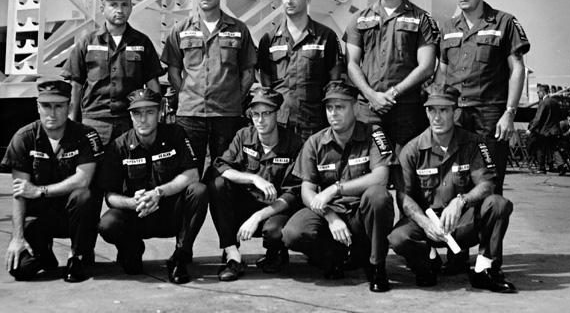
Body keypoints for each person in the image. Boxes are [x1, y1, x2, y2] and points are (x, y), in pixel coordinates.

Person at [389, 83, 516, 293]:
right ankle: (427, 263)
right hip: (428, 226)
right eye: (432, 110)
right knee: (398, 237)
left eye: (444, 110)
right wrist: (424, 222)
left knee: (498, 204)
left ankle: (485, 270)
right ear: (426, 112)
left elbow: (487, 184)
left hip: (461, 224)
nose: (436, 117)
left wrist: (461, 201)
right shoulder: (412, 150)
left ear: (455, 112)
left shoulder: (473, 143)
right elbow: (404, 196)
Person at [282, 80, 394, 292]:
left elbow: (380, 177)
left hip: (361, 213)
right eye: (329, 108)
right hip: (331, 212)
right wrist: (329, 216)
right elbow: (307, 190)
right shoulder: (315, 142)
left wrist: (336, 188)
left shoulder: (374, 134)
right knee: (293, 232)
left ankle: (376, 265)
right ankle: (333, 256)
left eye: (340, 107)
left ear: (355, 108)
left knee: (379, 196)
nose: (333, 113)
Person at [97, 88, 208, 284]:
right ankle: (132, 249)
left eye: (149, 112)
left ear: (160, 113)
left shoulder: (175, 134)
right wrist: (131, 202)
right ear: (130, 116)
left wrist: (159, 192)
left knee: (199, 191)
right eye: (137, 113)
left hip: (169, 211)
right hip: (138, 214)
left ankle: (180, 256)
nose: (143, 119)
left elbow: (192, 174)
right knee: (108, 224)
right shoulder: (119, 146)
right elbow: (109, 195)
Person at [437, 0, 530, 193]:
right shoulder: (447, 27)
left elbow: (518, 68)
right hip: (456, 115)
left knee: (489, 182)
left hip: (489, 117)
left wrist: (509, 113)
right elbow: (441, 72)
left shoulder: (504, 23)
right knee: (452, 182)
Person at [2, 78, 103, 283]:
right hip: (41, 218)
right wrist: (17, 237)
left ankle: (77, 255)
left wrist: (41, 190)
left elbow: (83, 180)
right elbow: (20, 192)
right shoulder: (24, 138)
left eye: (59, 106)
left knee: (84, 196)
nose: (52, 112)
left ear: (69, 106)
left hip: (73, 216)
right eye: (46, 106)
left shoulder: (86, 135)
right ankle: (43, 253)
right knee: (21, 271)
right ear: (37, 106)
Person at [161, 0, 257, 177]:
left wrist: (233, 99)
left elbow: (248, 74)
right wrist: (186, 95)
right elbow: (173, 71)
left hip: (226, 115)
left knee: (223, 174)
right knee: (187, 173)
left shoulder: (239, 30)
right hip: (190, 115)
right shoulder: (180, 29)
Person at [344, 0, 439, 152]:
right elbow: (351, 64)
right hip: (369, 109)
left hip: (406, 109)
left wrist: (392, 93)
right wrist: (372, 96)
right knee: (366, 169)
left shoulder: (421, 19)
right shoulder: (359, 19)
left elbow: (427, 66)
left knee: (405, 172)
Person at [208, 87, 303, 281]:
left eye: (266, 114)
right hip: (246, 204)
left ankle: (275, 252)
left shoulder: (294, 143)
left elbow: (293, 192)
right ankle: (232, 255)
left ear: (277, 114)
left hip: (275, 209)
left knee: (274, 231)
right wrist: (253, 178)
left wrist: (257, 217)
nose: (260, 120)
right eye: (255, 114)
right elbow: (221, 166)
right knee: (217, 185)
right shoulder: (244, 136)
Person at [62, 0, 164, 145]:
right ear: (102, 9)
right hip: (95, 121)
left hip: (131, 121)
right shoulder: (87, 42)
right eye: (113, 4)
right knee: (93, 168)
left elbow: (153, 84)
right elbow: (76, 85)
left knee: (131, 168)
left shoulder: (142, 42)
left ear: (130, 8)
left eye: (125, 5)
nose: (120, 10)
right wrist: (71, 124)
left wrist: (157, 120)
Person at [258, 0, 342, 140]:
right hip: (280, 125)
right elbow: (265, 84)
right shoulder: (268, 40)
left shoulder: (326, 36)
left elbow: (335, 82)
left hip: (314, 125)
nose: (289, 1)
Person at [526, 84, 565, 175]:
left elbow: (538, 118)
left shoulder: (543, 103)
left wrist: (531, 129)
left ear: (543, 92)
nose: (537, 94)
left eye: (538, 92)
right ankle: (561, 166)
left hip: (545, 131)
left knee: (540, 148)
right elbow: (560, 116)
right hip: (555, 130)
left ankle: (542, 168)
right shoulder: (555, 102)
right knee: (555, 148)